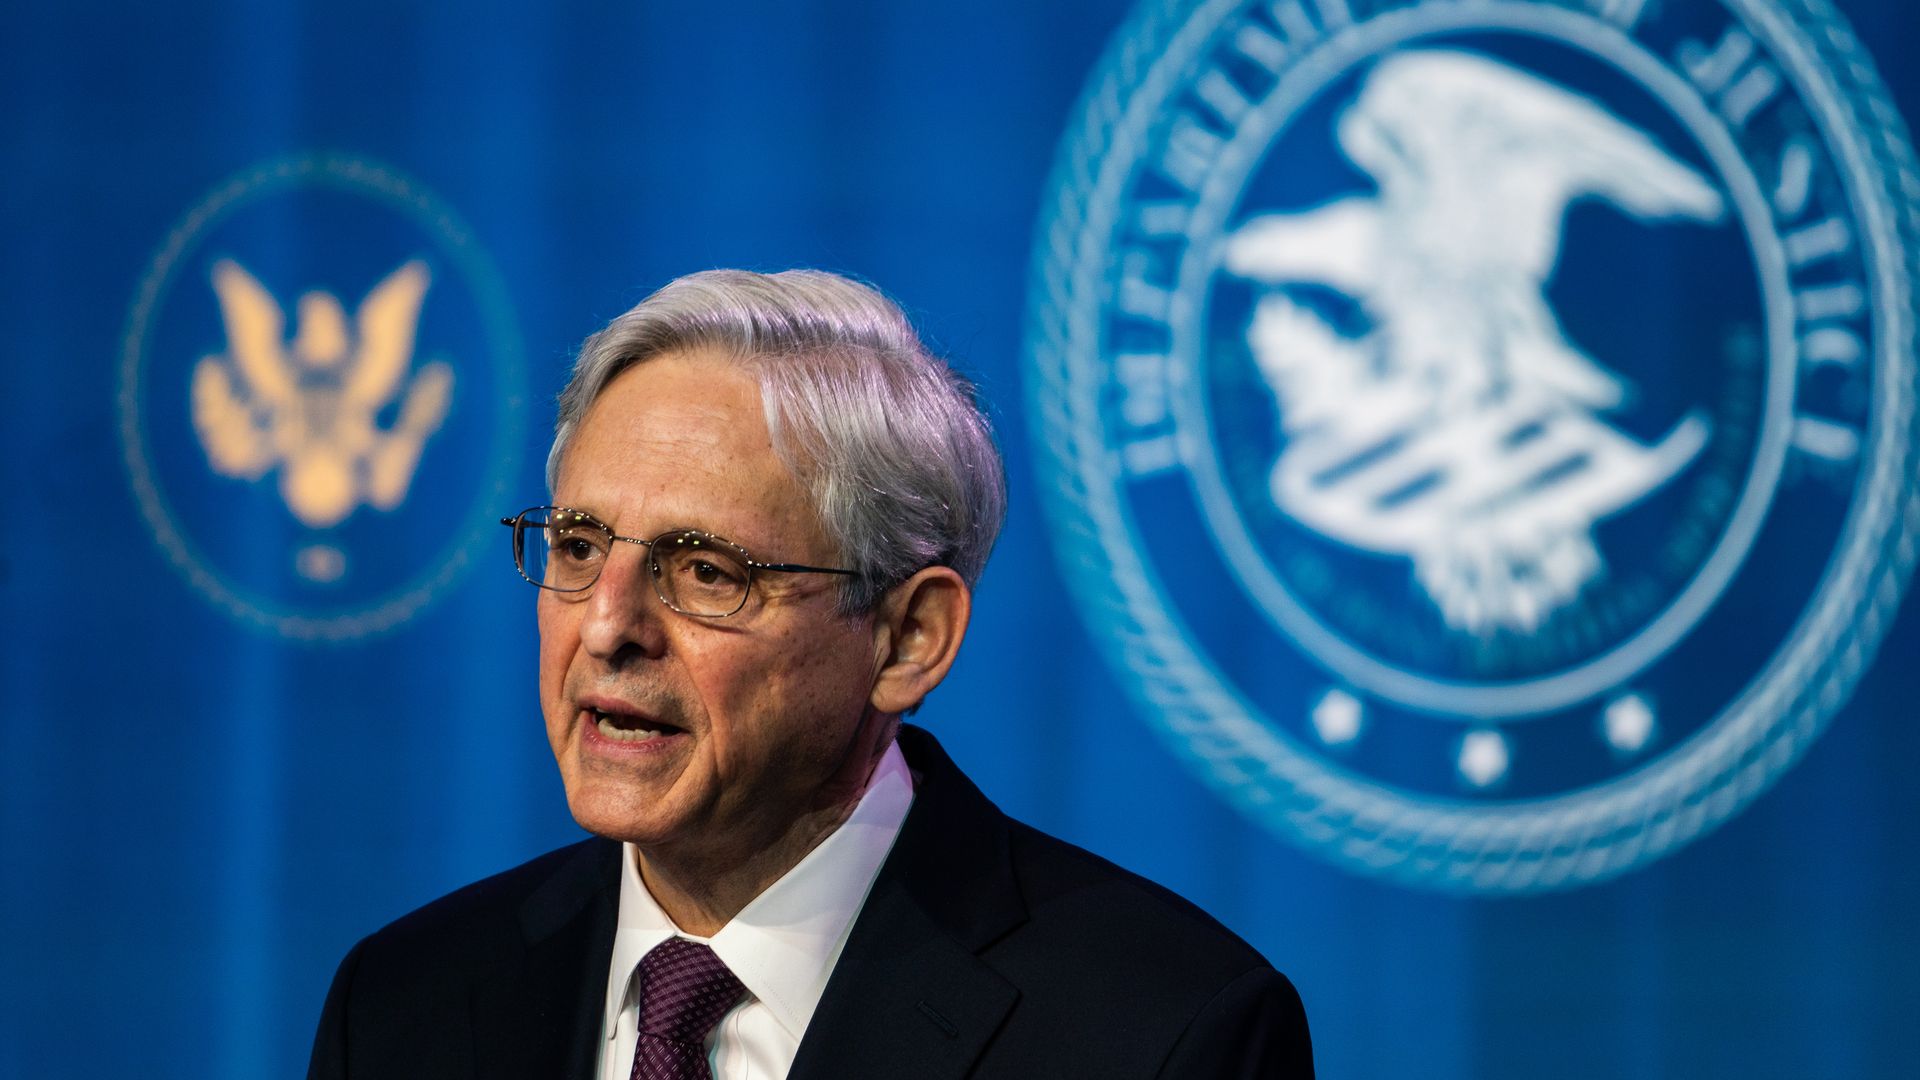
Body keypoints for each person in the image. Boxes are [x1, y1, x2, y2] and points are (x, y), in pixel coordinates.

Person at [307, 269, 1313, 1079]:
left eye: (706, 571)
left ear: (908, 638)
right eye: (576, 546)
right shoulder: (406, 1006)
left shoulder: (1167, 1035)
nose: (607, 625)